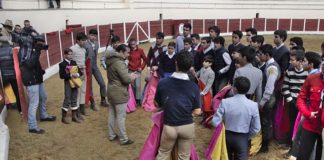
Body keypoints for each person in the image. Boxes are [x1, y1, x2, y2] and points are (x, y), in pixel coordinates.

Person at [155, 50, 201, 160]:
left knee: (163, 153)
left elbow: (157, 104)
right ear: (190, 67)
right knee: (184, 156)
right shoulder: (194, 86)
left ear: (176, 63)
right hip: (187, 126)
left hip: (169, 125)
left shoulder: (163, 83)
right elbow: (198, 111)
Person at [13, 31, 56, 134]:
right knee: (34, 102)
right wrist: (37, 50)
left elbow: (34, 63)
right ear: (35, 42)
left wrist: (40, 71)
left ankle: (43, 115)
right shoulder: (25, 50)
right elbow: (30, 64)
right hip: (31, 80)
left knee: (43, 97)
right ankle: (32, 126)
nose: (41, 44)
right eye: (39, 42)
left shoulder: (32, 49)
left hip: (36, 78)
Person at [212, 76, 261, 160]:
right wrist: (248, 136)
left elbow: (215, 122)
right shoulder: (253, 105)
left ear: (235, 88)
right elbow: (257, 128)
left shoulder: (225, 102)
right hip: (243, 138)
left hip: (227, 136)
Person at [107, 44, 137, 145]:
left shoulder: (110, 60)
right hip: (119, 92)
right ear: (121, 52)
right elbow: (126, 79)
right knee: (121, 116)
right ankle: (124, 139)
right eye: (127, 52)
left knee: (112, 114)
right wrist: (132, 76)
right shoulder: (119, 63)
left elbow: (117, 76)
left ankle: (111, 135)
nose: (128, 54)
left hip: (111, 90)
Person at [296, 60, 324, 160]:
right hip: (310, 124)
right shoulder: (312, 78)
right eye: (323, 63)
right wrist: (307, 113)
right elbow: (301, 98)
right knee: (302, 155)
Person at [258, 44, 281, 152]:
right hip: (270, 97)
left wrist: (262, 102)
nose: (259, 56)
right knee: (266, 121)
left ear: (267, 55)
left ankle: (265, 145)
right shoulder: (271, 65)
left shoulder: (272, 68)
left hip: (268, 99)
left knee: (265, 122)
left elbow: (269, 87)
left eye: (261, 54)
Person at [282, 50, 308, 143]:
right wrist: (290, 100)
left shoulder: (307, 73)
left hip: (303, 102)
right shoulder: (289, 71)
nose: (290, 62)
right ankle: (290, 141)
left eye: (292, 60)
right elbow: (285, 87)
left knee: (301, 123)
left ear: (300, 61)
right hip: (292, 101)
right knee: (292, 121)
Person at [0, 19, 22, 114]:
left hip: (5, 71)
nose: (9, 29)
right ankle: (16, 106)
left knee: (8, 87)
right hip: (9, 71)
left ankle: (13, 105)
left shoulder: (8, 34)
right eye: (8, 27)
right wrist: (10, 42)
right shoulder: (2, 33)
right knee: (10, 88)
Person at [85, 29, 108, 109]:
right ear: (88, 35)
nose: (93, 37)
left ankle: (103, 100)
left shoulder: (97, 44)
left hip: (94, 65)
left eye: (95, 36)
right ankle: (92, 103)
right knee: (90, 85)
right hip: (87, 67)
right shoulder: (85, 44)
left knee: (102, 83)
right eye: (92, 35)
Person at [59, 48, 82, 124]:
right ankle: (63, 117)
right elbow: (61, 76)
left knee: (74, 98)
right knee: (67, 98)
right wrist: (71, 75)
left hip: (74, 82)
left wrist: (77, 74)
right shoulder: (62, 64)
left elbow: (80, 72)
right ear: (65, 55)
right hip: (68, 82)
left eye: (71, 54)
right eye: (69, 54)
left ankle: (74, 117)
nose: (71, 55)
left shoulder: (74, 62)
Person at [70, 32, 87, 118]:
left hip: (83, 70)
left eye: (85, 40)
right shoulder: (72, 49)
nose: (84, 42)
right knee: (77, 92)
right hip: (76, 72)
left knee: (83, 90)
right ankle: (76, 111)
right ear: (78, 40)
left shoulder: (84, 49)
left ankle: (82, 108)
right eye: (83, 40)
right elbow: (70, 62)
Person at [128, 38, 147, 105]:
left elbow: (145, 59)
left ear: (136, 43)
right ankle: (134, 100)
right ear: (129, 44)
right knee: (133, 86)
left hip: (137, 71)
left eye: (134, 44)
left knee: (138, 85)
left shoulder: (140, 50)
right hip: (130, 70)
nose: (133, 45)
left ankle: (138, 100)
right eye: (131, 44)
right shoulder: (127, 51)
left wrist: (141, 67)